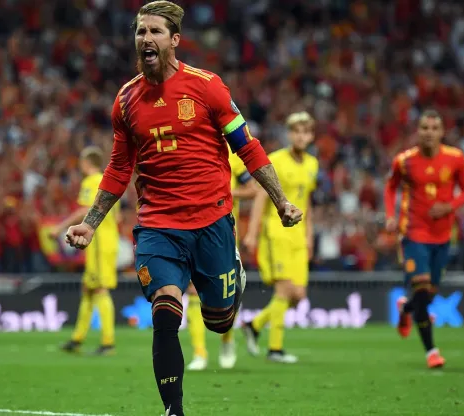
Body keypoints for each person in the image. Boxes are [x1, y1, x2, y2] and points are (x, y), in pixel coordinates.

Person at [63, 2, 303, 415]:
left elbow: (247, 146)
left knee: (219, 321)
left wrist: (280, 200)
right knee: (166, 310)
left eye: (155, 32)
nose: (146, 39)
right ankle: (174, 409)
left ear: (174, 39)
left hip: (211, 222)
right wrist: (90, 222)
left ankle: (232, 287)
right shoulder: (125, 101)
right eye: (140, 32)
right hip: (158, 226)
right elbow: (120, 167)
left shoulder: (207, 87)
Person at [383, 110, 464, 369]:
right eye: (424, 127)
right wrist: (391, 216)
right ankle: (431, 352)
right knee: (422, 289)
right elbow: (390, 187)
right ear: (418, 131)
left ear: (442, 132)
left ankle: (406, 309)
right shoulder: (404, 161)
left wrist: (450, 206)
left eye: (434, 128)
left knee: (429, 296)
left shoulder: (456, 158)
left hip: (443, 236)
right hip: (413, 233)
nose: (429, 132)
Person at [241, 111, 318, 364]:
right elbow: (261, 197)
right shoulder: (275, 160)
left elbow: (307, 201)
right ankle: (275, 349)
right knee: (285, 289)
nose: (300, 136)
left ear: (311, 136)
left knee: (298, 295)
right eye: (296, 131)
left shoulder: (312, 164)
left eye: (305, 131)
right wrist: (252, 233)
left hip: (299, 236)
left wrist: (309, 235)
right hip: (277, 231)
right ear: (289, 134)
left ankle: (254, 324)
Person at [186, 145, 257, 371]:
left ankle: (227, 341)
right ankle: (199, 353)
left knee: (225, 288)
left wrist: (224, 191)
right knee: (191, 289)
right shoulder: (190, 147)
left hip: (221, 229)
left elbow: (253, 189)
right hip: (189, 224)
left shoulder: (232, 155)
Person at [50, 146, 120, 356]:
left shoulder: (91, 181)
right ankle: (77, 338)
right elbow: (117, 217)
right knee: (88, 288)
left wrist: (59, 227)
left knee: (99, 289)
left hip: (98, 242)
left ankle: (108, 342)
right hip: (108, 241)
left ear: (86, 162)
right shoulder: (110, 180)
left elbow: (84, 210)